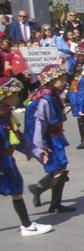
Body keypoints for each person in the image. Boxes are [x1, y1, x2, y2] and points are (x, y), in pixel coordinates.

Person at [0, 77, 53, 236]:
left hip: (7, 160)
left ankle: (27, 225)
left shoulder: (6, 115)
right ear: (5, 96)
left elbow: (19, 139)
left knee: (16, 190)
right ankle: (27, 226)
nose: (18, 97)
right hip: (3, 163)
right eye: (15, 94)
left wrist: (37, 152)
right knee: (15, 190)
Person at [24, 65, 75, 214]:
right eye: (61, 80)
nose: (64, 82)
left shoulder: (53, 96)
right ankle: (54, 203)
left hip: (56, 136)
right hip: (49, 139)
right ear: (51, 81)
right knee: (59, 169)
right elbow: (40, 124)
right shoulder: (45, 100)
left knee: (60, 168)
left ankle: (40, 190)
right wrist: (40, 146)